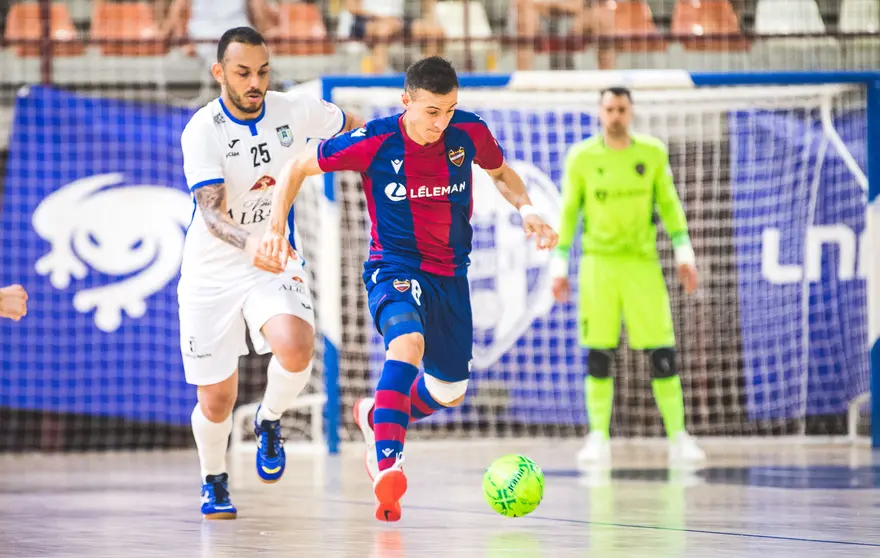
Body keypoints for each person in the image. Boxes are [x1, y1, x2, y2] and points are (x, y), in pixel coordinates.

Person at [260, 56, 559, 522]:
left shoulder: (469, 132)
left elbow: (501, 174)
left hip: (451, 276)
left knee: (448, 392)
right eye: (431, 112)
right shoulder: (376, 139)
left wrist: (527, 210)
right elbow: (296, 167)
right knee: (407, 343)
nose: (441, 122)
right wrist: (277, 227)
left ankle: (375, 413)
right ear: (407, 102)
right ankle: (387, 463)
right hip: (394, 266)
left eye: (450, 109)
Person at [178, 26, 362, 520]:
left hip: (273, 257)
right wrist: (251, 242)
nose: (255, 81)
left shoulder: (293, 109)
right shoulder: (202, 129)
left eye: (262, 71)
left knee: (298, 344)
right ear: (219, 72)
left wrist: (394, 151)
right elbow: (213, 217)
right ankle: (214, 478)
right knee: (216, 399)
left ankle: (269, 418)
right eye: (243, 72)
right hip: (212, 271)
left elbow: (357, 127)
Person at [551, 86, 705, 469]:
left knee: (662, 352)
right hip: (598, 266)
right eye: (609, 109)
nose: (615, 115)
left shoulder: (651, 153)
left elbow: (669, 205)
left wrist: (685, 255)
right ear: (600, 113)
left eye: (621, 108)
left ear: (630, 112)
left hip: (642, 264)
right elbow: (569, 213)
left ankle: (679, 438)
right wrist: (558, 266)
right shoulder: (582, 158)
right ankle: (598, 438)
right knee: (599, 353)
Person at [339, 0, 444, 74]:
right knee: (384, 31)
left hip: (396, 21)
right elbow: (352, 8)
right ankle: (377, 80)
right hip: (363, 21)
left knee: (435, 32)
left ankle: (431, 76)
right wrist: (383, 18)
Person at [513, 0, 615, 71]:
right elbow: (528, 3)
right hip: (541, 16)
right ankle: (523, 79)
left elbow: (578, 4)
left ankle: (608, 81)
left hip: (575, 17)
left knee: (603, 18)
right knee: (525, 18)